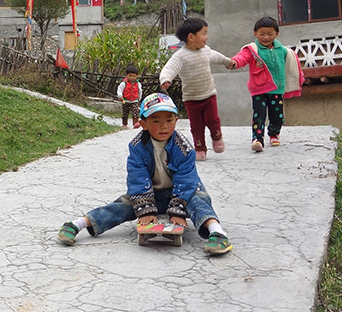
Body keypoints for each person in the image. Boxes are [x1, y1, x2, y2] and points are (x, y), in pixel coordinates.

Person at [56, 92, 232, 255]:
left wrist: (177, 211)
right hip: (151, 194)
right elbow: (138, 178)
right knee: (123, 204)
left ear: (176, 120)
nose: (164, 126)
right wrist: (145, 209)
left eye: (169, 120)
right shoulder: (137, 147)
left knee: (199, 201)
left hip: (184, 193)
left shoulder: (184, 148)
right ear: (144, 123)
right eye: (156, 121)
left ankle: (218, 233)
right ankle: (77, 224)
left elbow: (186, 180)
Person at [159, 17, 235, 161]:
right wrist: (166, 79)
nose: (206, 37)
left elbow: (217, 57)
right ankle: (200, 149)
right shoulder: (180, 56)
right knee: (196, 126)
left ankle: (217, 138)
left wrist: (227, 62)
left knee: (213, 119)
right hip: (191, 99)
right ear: (191, 36)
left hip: (209, 94)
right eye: (204, 33)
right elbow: (169, 68)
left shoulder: (206, 51)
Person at [229, 16, 305, 152]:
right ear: (255, 33)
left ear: (276, 34)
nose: (266, 37)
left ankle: (274, 134)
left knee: (278, 116)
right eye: (262, 34)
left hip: (277, 89)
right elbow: (242, 57)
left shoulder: (283, 51)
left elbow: (292, 67)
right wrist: (234, 62)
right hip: (259, 89)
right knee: (259, 114)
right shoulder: (252, 50)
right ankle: (257, 139)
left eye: (270, 34)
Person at [116, 65, 142, 129]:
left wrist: (139, 98)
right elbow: (120, 90)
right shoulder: (123, 83)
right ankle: (124, 124)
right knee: (125, 113)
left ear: (136, 76)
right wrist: (120, 96)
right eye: (130, 76)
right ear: (126, 75)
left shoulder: (138, 84)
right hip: (125, 100)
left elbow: (140, 91)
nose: (132, 78)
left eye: (134, 76)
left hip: (134, 101)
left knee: (135, 112)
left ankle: (135, 124)